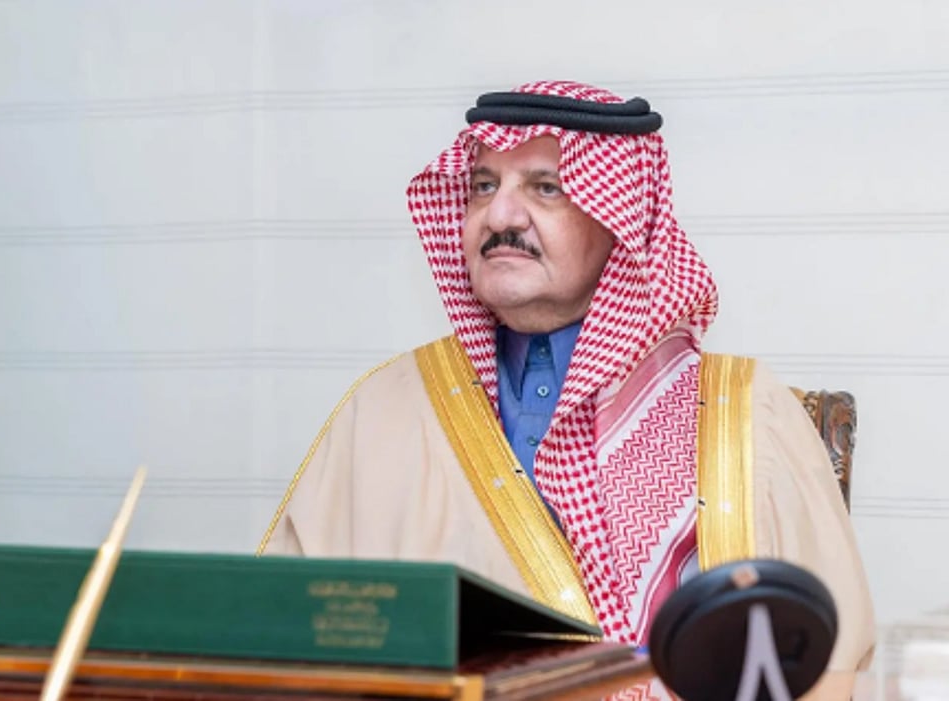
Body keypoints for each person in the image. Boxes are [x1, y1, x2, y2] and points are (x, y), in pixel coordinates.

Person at [257, 80, 874, 681]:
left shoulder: (742, 413)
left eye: (546, 188)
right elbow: (276, 643)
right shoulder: (383, 409)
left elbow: (825, 666)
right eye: (483, 186)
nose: (499, 215)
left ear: (619, 221)